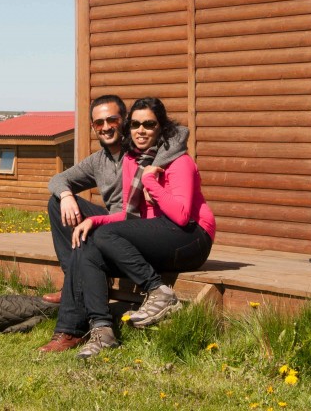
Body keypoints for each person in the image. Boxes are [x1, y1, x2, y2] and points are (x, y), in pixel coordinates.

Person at [37, 94, 188, 353]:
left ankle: (72, 329)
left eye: (112, 120)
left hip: (139, 227)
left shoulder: (142, 147)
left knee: (93, 234)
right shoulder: (99, 160)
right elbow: (58, 179)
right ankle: (72, 279)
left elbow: (178, 134)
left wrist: (154, 169)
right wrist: (65, 196)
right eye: (98, 123)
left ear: (124, 121)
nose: (105, 127)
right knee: (56, 202)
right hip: (112, 223)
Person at [67, 97, 215, 359]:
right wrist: (94, 220)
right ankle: (102, 331)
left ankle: (158, 291)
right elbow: (129, 216)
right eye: (135, 124)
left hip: (193, 239)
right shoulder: (133, 162)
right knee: (90, 246)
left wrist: (152, 184)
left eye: (149, 124)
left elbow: (181, 216)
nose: (141, 130)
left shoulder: (179, 162)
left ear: (161, 127)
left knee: (106, 235)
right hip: (159, 238)